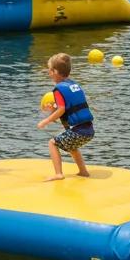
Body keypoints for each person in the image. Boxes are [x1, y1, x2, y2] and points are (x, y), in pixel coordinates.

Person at [37, 52, 94, 180]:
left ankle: (58, 174)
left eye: (50, 70)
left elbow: (62, 109)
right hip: (88, 129)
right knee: (72, 147)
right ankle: (83, 171)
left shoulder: (58, 89)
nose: (48, 73)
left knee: (52, 143)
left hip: (79, 131)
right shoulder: (73, 85)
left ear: (56, 71)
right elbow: (67, 108)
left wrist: (45, 121)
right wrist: (53, 109)